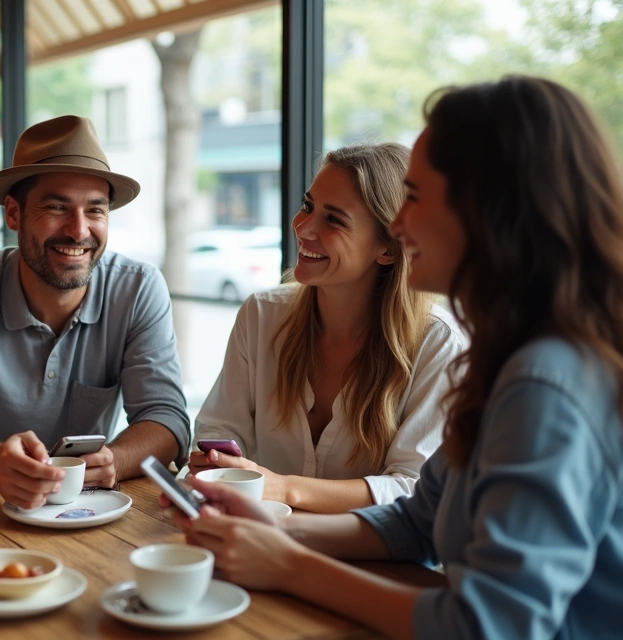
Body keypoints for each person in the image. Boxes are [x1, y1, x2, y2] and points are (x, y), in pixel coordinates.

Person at [164, 76, 623, 639]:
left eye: (413, 195)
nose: (396, 222)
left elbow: (487, 625)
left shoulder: (547, 384)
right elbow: (417, 521)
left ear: (485, 210)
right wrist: (274, 529)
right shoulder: (504, 357)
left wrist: (288, 564)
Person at [0, 115, 190, 509]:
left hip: (89, 511)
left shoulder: (138, 288)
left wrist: (115, 462)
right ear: (13, 214)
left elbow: (167, 416)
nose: (78, 231)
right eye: (57, 207)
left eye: (95, 210)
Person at [190, 143, 465, 513]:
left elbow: (413, 487)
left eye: (334, 219)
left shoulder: (438, 343)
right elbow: (220, 429)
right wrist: (218, 462)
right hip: (255, 536)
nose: (303, 228)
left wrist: (286, 489)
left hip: (374, 561)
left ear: (387, 248)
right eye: (307, 206)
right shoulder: (261, 315)